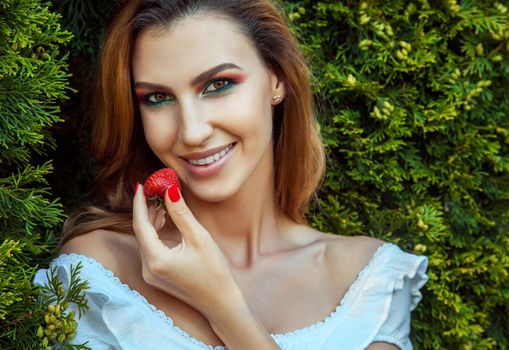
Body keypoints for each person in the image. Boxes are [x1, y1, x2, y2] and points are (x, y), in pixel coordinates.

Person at [34, 0, 428, 349]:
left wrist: (223, 306)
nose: (191, 131)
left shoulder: (366, 280)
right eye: (158, 98)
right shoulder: (99, 275)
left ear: (277, 80)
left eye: (218, 85)